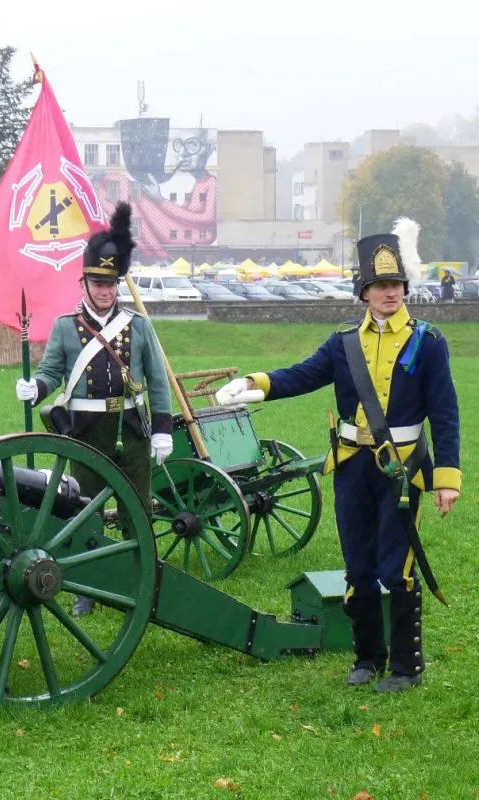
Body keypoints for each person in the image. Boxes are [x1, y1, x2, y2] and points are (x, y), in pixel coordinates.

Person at [217, 218, 460, 693]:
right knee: (359, 567)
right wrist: (255, 383)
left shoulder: (428, 342)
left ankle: (407, 667)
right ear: (364, 292)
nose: (390, 293)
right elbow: (302, 375)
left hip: (402, 469)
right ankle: (367, 658)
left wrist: (446, 478)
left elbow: (446, 414)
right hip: (351, 467)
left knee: (397, 568)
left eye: (396, 284)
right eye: (380, 286)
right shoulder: (344, 341)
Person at [14, 202, 174, 616]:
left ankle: (141, 578)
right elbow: (52, 371)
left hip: (131, 429)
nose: (104, 291)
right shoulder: (66, 327)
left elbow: (157, 382)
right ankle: (87, 584)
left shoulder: (138, 325)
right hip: (85, 431)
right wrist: (37, 387)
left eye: (110, 283)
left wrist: (162, 430)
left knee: (137, 509)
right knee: (85, 510)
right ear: (83, 282)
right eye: (97, 282)